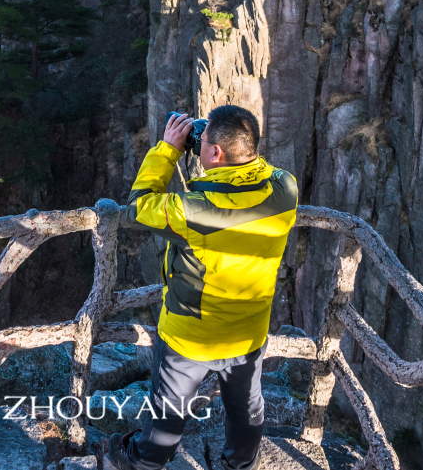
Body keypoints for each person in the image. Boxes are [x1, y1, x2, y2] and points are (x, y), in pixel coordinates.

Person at [107, 106, 299, 470]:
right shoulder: (284, 187)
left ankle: (142, 461)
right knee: (247, 408)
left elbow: (137, 208)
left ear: (214, 154)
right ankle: (240, 464)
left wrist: (168, 149)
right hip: (249, 332)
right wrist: (220, 141)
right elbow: (256, 166)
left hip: (192, 336)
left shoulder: (194, 211)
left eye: (204, 139)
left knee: (168, 410)